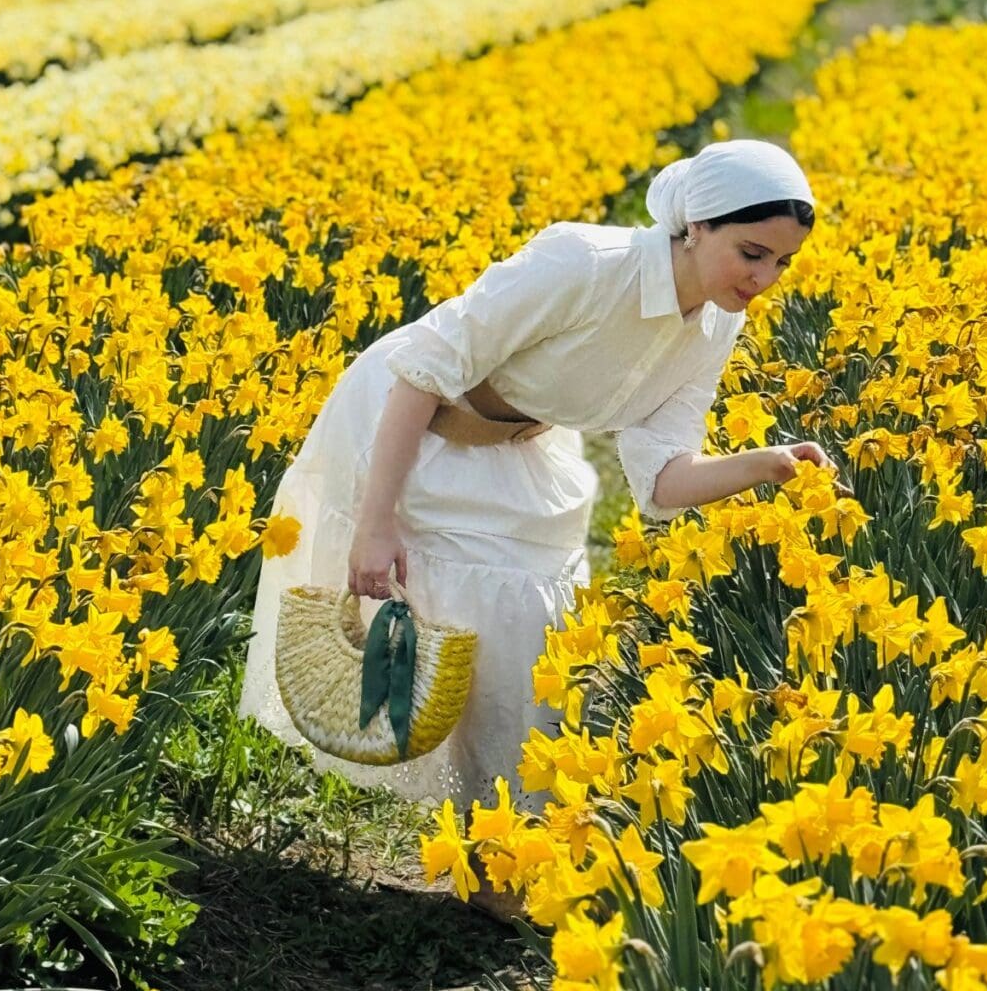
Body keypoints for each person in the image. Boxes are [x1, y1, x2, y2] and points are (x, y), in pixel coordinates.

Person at [237, 139, 831, 818]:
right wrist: (376, 524)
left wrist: (768, 465)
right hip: (407, 425)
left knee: (532, 642)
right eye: (752, 253)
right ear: (697, 225)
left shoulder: (719, 323)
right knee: (486, 624)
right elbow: (421, 374)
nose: (764, 279)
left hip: (522, 445)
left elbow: (663, 481)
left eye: (782, 263)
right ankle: (494, 845)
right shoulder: (583, 263)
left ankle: (508, 841)